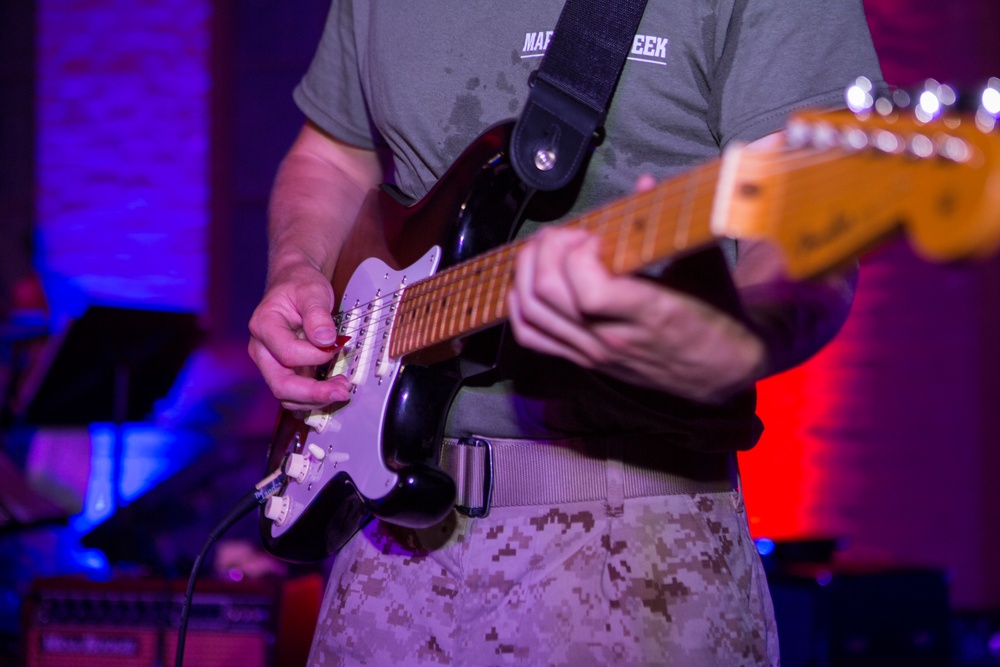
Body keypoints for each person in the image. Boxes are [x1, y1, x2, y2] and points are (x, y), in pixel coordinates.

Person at [248, 2, 884, 664]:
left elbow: (807, 228)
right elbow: (332, 154)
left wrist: (736, 340)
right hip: (376, 541)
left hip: (631, 545)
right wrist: (296, 266)